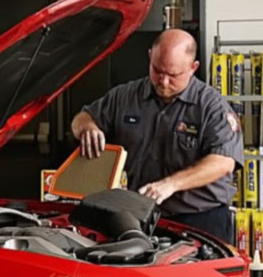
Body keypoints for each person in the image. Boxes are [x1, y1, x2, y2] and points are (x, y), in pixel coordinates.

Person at [71, 29, 244, 240]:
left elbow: (224, 161)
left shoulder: (211, 107)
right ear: (149, 56)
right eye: (157, 71)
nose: (163, 81)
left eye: (173, 75)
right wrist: (88, 128)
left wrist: (171, 184)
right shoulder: (125, 97)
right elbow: (82, 117)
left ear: (193, 68)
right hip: (139, 216)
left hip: (200, 219)